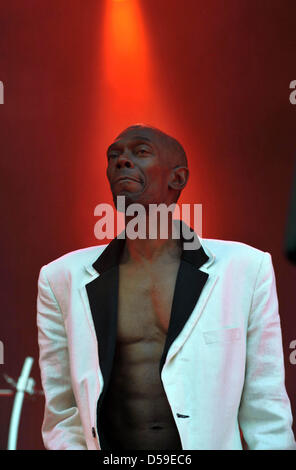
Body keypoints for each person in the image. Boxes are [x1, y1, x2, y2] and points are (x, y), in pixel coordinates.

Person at [37, 124, 296, 450]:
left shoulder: (245, 268)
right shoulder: (61, 277)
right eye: (114, 155)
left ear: (178, 178)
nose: (122, 161)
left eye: (140, 152)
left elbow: (266, 404)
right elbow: (62, 410)